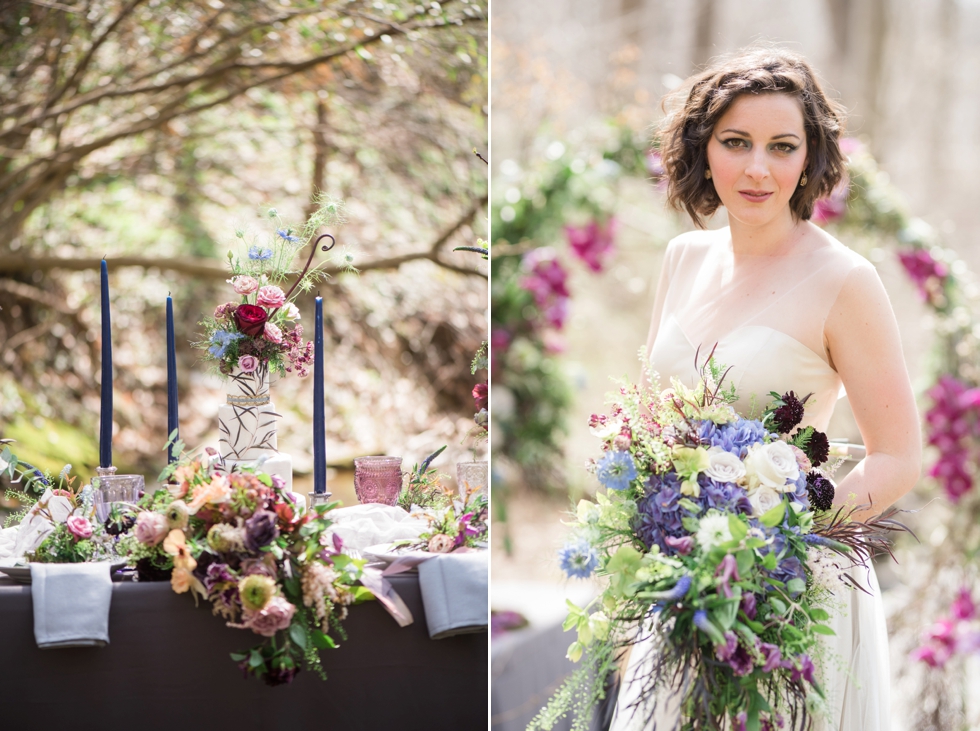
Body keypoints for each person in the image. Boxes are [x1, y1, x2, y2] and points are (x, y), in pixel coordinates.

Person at [609, 46, 921, 731]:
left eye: (782, 146)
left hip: (792, 593)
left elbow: (898, 455)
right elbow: (646, 427)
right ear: (702, 148)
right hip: (685, 582)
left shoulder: (846, 281)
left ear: (809, 159)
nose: (757, 168)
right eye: (736, 142)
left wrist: (780, 540)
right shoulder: (680, 259)